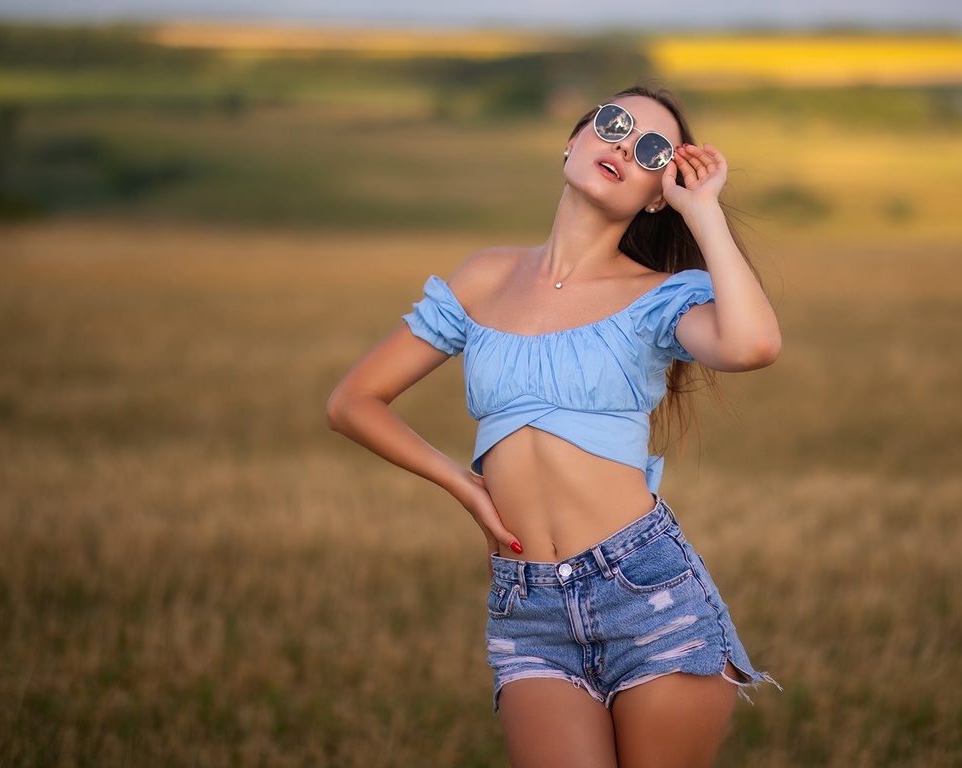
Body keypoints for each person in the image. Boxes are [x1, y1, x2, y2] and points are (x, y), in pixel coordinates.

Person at [326, 83, 781, 768]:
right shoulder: (483, 278)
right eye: (613, 124)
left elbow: (753, 346)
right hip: (528, 602)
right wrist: (463, 484)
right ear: (573, 140)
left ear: (660, 194)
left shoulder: (657, 297)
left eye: (652, 151)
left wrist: (703, 210)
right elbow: (352, 401)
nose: (625, 146)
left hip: (646, 591)